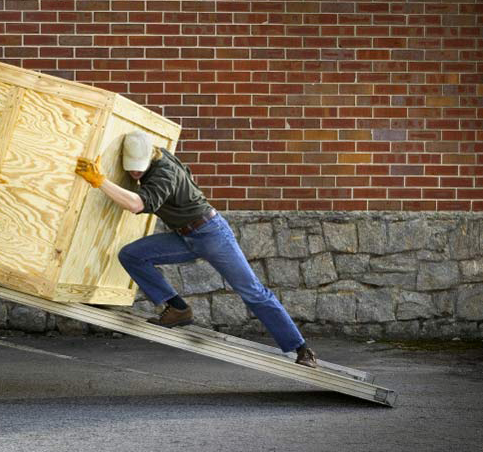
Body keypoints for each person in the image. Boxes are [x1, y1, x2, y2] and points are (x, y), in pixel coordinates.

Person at [75, 131, 317, 368]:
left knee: (252, 291)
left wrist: (100, 181)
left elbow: (137, 205)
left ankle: (302, 349)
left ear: (151, 156)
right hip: (185, 236)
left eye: (139, 166)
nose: (135, 172)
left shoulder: (164, 174)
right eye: (131, 167)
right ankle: (178, 309)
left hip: (212, 234)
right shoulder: (160, 155)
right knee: (131, 255)